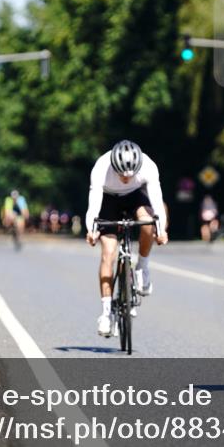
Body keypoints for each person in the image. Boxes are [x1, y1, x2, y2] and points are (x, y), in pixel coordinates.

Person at [85, 140, 168, 337]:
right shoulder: (101, 168)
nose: (125, 177)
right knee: (108, 253)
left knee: (148, 222)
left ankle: (143, 267)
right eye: (121, 174)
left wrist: (161, 229)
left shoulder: (148, 166)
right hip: (107, 200)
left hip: (134, 197)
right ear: (114, 166)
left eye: (129, 174)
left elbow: (156, 200)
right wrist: (92, 230)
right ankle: (105, 314)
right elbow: (93, 204)